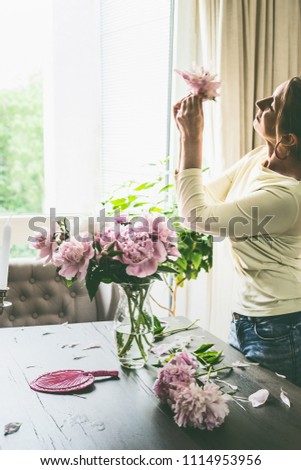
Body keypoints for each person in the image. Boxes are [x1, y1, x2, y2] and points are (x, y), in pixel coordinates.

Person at [173, 77, 301, 387]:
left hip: (281, 327)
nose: (261, 104)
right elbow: (201, 199)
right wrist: (184, 138)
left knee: (275, 428)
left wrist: (193, 140)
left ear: (289, 138)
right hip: (247, 319)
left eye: (274, 103)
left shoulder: (286, 197)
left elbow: (196, 214)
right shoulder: (258, 159)